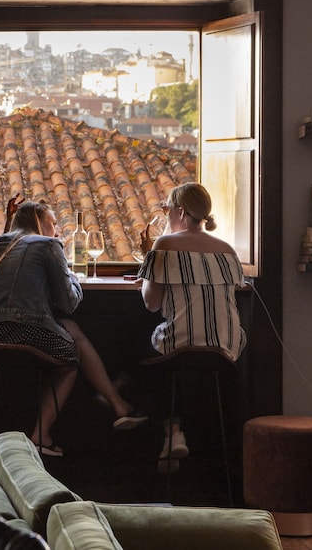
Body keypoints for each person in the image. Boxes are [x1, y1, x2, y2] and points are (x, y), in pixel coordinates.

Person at [0, 200, 147, 457]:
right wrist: (72, 276)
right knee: (70, 358)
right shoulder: (48, 245)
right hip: (29, 333)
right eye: (53, 222)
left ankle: (116, 404)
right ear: (39, 221)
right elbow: (69, 302)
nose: (57, 230)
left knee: (71, 329)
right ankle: (41, 433)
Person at [138, 182, 246, 473]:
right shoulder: (226, 250)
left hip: (182, 349)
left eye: (166, 209)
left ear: (181, 211)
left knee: (145, 345)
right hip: (226, 347)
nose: (164, 215)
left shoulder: (166, 245)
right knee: (177, 349)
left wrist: (152, 259)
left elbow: (151, 303)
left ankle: (168, 430)